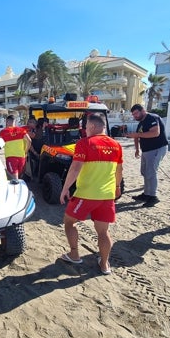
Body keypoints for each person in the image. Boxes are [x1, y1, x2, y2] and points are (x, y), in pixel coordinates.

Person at [59, 113, 123, 275]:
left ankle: (74, 254)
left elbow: (75, 168)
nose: (85, 130)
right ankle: (105, 264)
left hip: (86, 193)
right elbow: (119, 170)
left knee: (69, 222)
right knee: (103, 231)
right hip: (107, 195)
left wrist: (65, 188)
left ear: (93, 127)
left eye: (86, 127)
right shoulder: (116, 144)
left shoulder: (84, 143)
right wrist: (116, 187)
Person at [125, 104, 168, 207]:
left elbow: (155, 133)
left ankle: (153, 197)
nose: (134, 116)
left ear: (142, 110)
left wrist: (137, 135)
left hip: (156, 148)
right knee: (145, 171)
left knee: (151, 172)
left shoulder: (152, 118)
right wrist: (137, 150)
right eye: (133, 114)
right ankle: (146, 194)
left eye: (136, 113)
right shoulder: (141, 123)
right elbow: (136, 136)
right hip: (146, 150)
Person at [0, 114, 31, 180]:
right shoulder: (21, 130)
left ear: (7, 121)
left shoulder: (3, 132)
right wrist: (25, 151)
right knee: (19, 177)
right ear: (15, 121)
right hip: (22, 157)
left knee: (14, 179)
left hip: (11, 158)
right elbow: (29, 141)